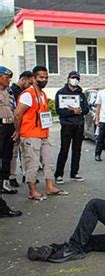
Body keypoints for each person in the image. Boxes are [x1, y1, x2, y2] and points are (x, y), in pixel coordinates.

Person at [14, 66, 67, 200]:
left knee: (48, 162)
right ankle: (33, 191)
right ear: (33, 78)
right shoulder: (28, 94)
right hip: (30, 134)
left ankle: (50, 186)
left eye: (46, 77)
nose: (44, 80)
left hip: (43, 134)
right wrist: (18, 131)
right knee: (32, 163)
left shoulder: (42, 94)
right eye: (41, 77)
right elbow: (18, 114)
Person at [54, 71, 90, 184]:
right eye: (73, 78)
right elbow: (59, 110)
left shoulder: (81, 93)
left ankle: (74, 173)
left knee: (77, 150)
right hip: (67, 125)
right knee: (64, 149)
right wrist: (73, 111)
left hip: (79, 125)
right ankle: (59, 174)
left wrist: (80, 111)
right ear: (68, 78)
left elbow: (86, 109)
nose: (75, 80)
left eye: (77, 78)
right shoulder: (61, 92)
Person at [8, 71, 33, 188]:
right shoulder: (12, 91)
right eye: (29, 82)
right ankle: (12, 176)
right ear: (23, 79)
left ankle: (26, 174)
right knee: (13, 153)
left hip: (26, 127)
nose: (30, 85)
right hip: (15, 126)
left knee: (26, 152)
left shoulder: (26, 92)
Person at [0, 66, 18, 195]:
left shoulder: (9, 91)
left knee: (8, 155)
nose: (8, 81)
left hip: (9, 126)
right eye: (6, 78)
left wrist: (17, 129)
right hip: (0, 126)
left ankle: (4, 182)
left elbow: (14, 109)